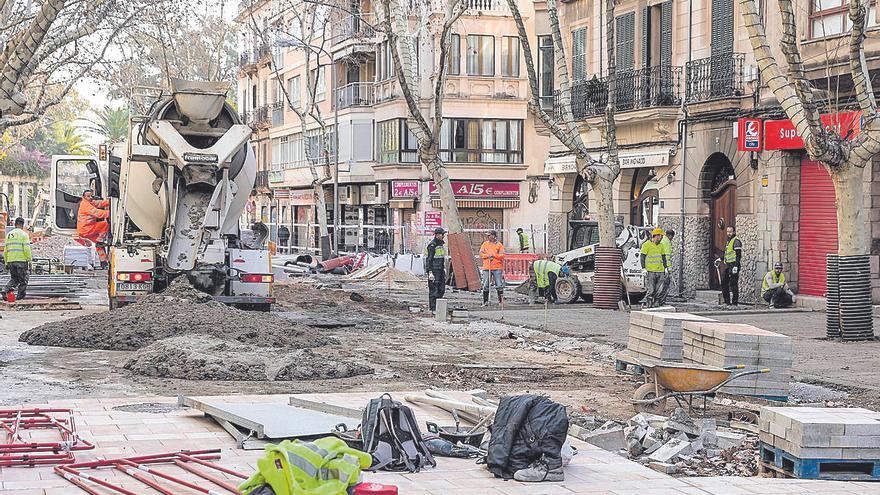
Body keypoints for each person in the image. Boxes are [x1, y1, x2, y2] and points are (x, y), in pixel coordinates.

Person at [77, 189, 110, 264]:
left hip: (85, 230)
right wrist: (111, 213)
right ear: (84, 197)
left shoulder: (89, 202)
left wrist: (109, 202)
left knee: (99, 245)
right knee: (105, 224)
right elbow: (98, 213)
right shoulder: (85, 205)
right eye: (88, 196)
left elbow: (99, 203)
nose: (91, 197)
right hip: (87, 229)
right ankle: (100, 240)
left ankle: (103, 262)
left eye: (91, 195)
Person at [2, 217, 31, 301]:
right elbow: (26, 249)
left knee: (14, 279)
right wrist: (29, 260)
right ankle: (19, 298)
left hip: (11, 261)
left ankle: (5, 290)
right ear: (22, 225)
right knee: (23, 280)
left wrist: (6, 261)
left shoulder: (9, 235)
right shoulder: (24, 235)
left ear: (15, 224)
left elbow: (5, 250)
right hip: (21, 261)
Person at [640, 228, 669, 308]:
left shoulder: (661, 246)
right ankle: (648, 303)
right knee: (651, 289)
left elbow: (663, 257)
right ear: (656, 236)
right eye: (661, 236)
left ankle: (656, 302)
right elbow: (642, 257)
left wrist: (666, 268)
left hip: (660, 270)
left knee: (659, 289)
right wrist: (643, 268)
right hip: (650, 271)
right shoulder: (646, 245)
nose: (662, 238)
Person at [479, 230, 505, 307]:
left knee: (499, 285)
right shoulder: (485, 244)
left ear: (493, 236)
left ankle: (501, 302)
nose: (488, 237)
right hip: (487, 267)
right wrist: (488, 256)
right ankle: (485, 301)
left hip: (497, 267)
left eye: (489, 235)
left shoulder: (499, 245)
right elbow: (481, 254)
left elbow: (502, 255)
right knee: (486, 285)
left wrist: (493, 255)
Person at [424, 227, 447, 312]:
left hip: (440, 269)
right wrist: (430, 272)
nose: (443, 236)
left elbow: (441, 258)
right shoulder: (432, 245)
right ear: (437, 235)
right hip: (434, 270)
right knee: (434, 289)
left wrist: (444, 268)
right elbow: (429, 259)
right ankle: (433, 308)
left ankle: (438, 306)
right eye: (442, 234)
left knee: (441, 289)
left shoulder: (440, 245)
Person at [720, 225, 743, 306]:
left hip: (733, 265)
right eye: (727, 231)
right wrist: (720, 259)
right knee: (724, 282)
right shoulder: (728, 241)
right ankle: (727, 301)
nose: (728, 233)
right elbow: (727, 253)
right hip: (728, 265)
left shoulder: (736, 241)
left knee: (733, 284)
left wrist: (736, 266)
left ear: (734, 232)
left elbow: (738, 255)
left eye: (730, 231)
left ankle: (734, 302)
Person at [658, 228, 675, 304]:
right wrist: (668, 268)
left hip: (660, 267)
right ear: (670, 235)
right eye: (672, 237)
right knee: (665, 284)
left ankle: (659, 300)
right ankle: (661, 300)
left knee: (661, 284)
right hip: (664, 268)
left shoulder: (662, 240)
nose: (672, 239)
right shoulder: (667, 242)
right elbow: (667, 257)